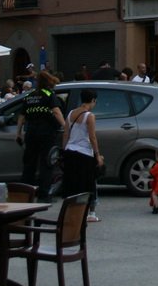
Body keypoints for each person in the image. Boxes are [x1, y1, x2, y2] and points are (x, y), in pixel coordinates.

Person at [16, 71, 66, 201]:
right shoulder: (49, 94)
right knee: (46, 163)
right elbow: (56, 112)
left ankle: (25, 195)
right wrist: (66, 126)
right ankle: (43, 195)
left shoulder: (29, 96)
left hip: (31, 133)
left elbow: (21, 117)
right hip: (46, 134)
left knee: (29, 165)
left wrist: (18, 133)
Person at [62, 89, 104, 222]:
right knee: (88, 183)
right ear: (93, 100)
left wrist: (64, 150)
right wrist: (97, 155)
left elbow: (65, 134)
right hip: (84, 153)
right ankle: (90, 213)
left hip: (70, 151)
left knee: (72, 183)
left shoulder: (70, 114)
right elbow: (92, 137)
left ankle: (71, 211)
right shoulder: (89, 116)